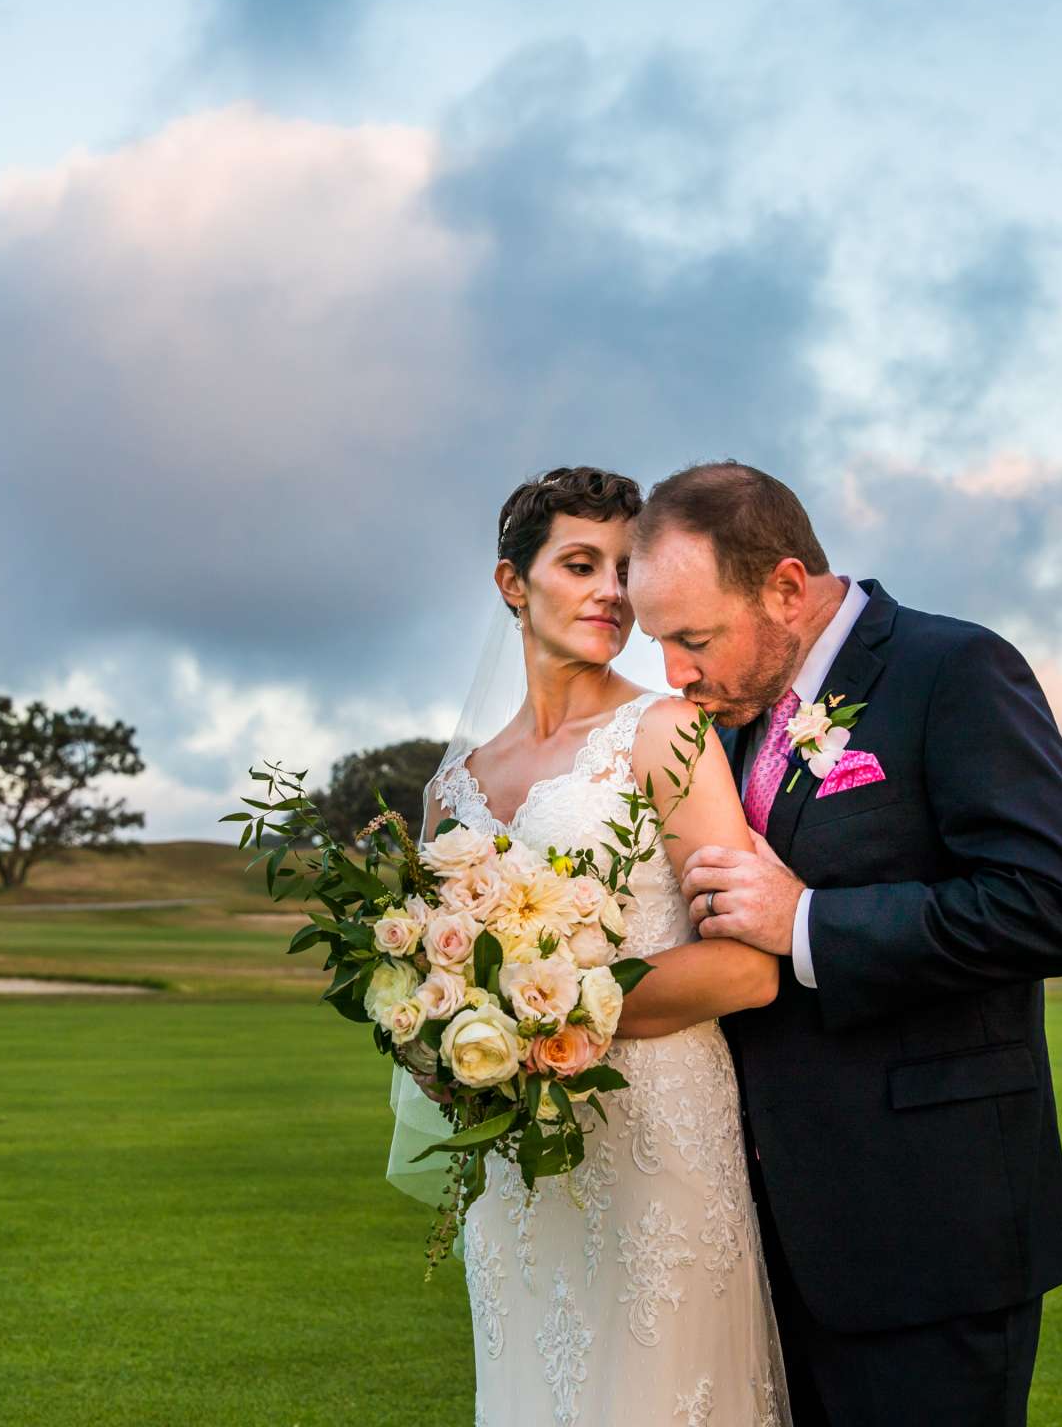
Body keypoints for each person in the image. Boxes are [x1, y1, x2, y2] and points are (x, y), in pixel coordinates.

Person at [628, 460, 1062, 1426]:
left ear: (787, 587)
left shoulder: (954, 671)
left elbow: (1053, 905)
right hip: (758, 1241)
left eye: (693, 638)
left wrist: (805, 920)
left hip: (929, 1233)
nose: (677, 673)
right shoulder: (720, 728)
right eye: (661, 644)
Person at [423, 465, 793, 1427]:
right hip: (518, 1168)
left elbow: (748, 969)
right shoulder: (450, 791)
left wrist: (538, 1014)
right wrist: (446, 1040)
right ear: (514, 584)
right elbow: (432, 979)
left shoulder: (666, 733)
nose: (612, 593)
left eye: (626, 569)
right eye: (580, 563)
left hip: (658, 1142)